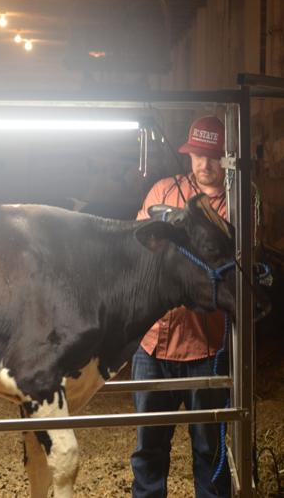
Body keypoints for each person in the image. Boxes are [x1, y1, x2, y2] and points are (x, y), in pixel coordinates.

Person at [130, 115, 231, 498]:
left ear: (228, 157)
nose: (204, 165)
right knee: (148, 448)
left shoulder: (237, 202)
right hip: (153, 343)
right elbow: (140, 250)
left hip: (205, 346)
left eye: (214, 156)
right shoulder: (162, 191)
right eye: (197, 155)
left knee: (208, 447)